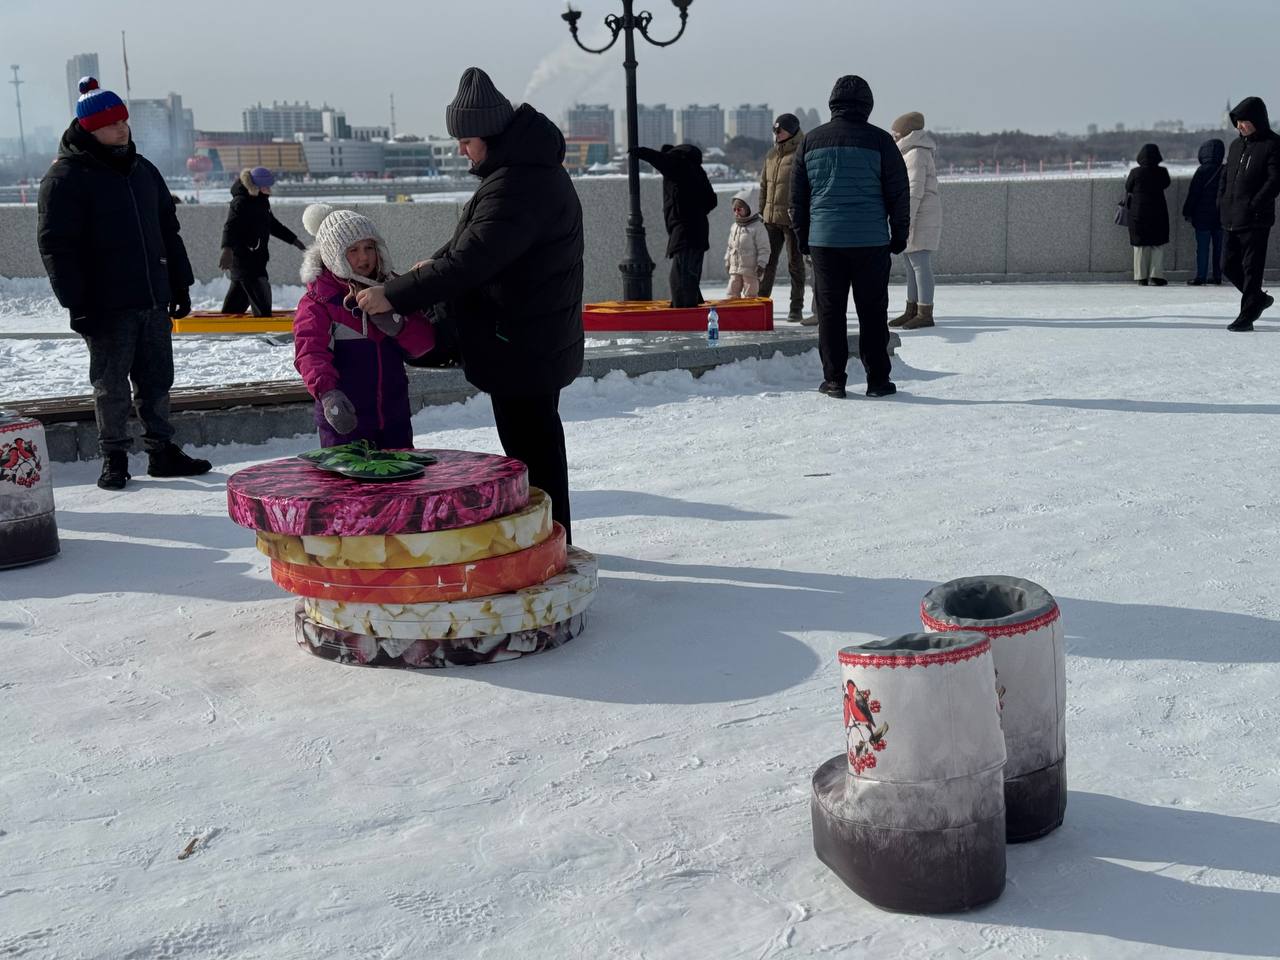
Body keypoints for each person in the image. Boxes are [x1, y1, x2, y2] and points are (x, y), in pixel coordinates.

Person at [355, 67, 584, 542]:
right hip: (533, 339)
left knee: (533, 456)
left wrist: (392, 293)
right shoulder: (524, 172)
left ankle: (549, 544)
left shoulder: (517, 184)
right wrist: (433, 264)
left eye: (465, 140)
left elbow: (470, 262)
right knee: (538, 447)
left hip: (522, 344)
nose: (462, 150)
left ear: (489, 134)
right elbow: (476, 244)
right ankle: (552, 537)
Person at [37, 77, 210, 490]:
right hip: (105, 304)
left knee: (157, 381)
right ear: (89, 128)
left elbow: (168, 230)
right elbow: (56, 247)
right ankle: (113, 456)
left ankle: (162, 452)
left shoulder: (142, 170)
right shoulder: (65, 177)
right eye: (112, 123)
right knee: (110, 385)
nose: (122, 129)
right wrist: (77, 304)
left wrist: (179, 284)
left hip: (151, 297)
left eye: (123, 121)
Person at [791, 75, 909, 399]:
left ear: (833, 104)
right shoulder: (881, 141)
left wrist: (803, 238)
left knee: (830, 313)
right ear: (867, 105)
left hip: (825, 241)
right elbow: (899, 193)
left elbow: (797, 198)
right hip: (871, 240)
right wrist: (899, 234)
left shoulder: (810, 141)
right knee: (873, 311)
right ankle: (878, 381)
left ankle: (834, 380)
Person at [293, 205, 436, 448]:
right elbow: (310, 353)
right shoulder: (320, 301)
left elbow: (425, 344)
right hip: (344, 418)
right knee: (347, 473)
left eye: (369, 247)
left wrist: (399, 325)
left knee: (398, 471)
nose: (364, 258)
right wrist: (328, 395)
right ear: (334, 255)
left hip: (394, 416)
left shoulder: (392, 289)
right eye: (353, 250)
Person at [1219, 97, 1280, 331]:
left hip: (1256, 218)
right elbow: (1226, 176)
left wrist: (1255, 204)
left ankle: (1247, 316)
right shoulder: (1236, 145)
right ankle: (1258, 299)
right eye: (1237, 122)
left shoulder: (1273, 144)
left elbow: (1275, 180)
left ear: (1257, 120)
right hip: (1231, 216)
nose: (1240, 126)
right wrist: (1221, 201)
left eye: (1244, 121)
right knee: (1227, 265)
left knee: (1252, 269)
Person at [631, 143, 718, 308]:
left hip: (685, 232)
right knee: (690, 277)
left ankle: (684, 314)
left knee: (681, 278)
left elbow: (660, 159)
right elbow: (711, 201)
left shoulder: (679, 163)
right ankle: (691, 310)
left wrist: (640, 152)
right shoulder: (696, 169)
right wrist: (696, 211)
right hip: (698, 232)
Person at [219, 167, 305, 317]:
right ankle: (264, 324)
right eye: (266, 186)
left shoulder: (262, 201)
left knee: (237, 300)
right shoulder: (240, 202)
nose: (269, 190)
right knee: (261, 293)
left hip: (256, 259)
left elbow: (272, 225)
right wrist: (227, 249)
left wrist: (294, 240)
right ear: (256, 186)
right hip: (244, 260)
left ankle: (224, 326)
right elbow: (230, 227)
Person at [888, 112, 941, 330]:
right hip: (916, 216)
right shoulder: (910, 152)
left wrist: (905, 219)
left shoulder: (916, 153)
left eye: (896, 134)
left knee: (920, 264)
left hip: (920, 217)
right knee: (911, 266)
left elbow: (913, 191)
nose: (893, 137)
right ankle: (912, 309)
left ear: (906, 133)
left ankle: (924, 312)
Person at [759, 113, 810, 322]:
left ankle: (796, 307)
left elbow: (806, 186)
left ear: (792, 130)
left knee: (795, 265)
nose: (777, 133)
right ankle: (761, 304)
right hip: (771, 219)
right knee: (767, 263)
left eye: (780, 130)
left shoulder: (802, 152)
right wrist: (762, 211)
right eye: (775, 130)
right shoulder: (771, 154)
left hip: (792, 220)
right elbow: (764, 185)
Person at [1125, 144, 1171, 287]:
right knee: (1157, 245)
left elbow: (1128, 187)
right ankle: (1156, 276)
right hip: (1158, 212)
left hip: (1139, 212)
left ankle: (1141, 277)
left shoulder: (1135, 172)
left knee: (1140, 245)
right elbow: (1166, 184)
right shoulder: (1162, 172)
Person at [1182, 138, 1226, 286]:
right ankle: (1217, 276)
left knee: (1202, 249)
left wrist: (1187, 212)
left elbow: (1193, 194)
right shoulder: (1225, 170)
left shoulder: (1201, 171)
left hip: (1202, 217)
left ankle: (1201, 276)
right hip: (1220, 216)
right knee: (1219, 248)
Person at [724, 187, 769, 298]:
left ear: (749, 209)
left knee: (751, 294)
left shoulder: (757, 227)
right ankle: (732, 308)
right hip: (735, 269)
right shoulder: (734, 227)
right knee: (731, 292)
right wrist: (727, 260)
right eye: (734, 210)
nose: (736, 212)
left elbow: (764, 248)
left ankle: (750, 308)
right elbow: (730, 247)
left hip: (751, 270)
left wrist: (761, 264)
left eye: (739, 209)